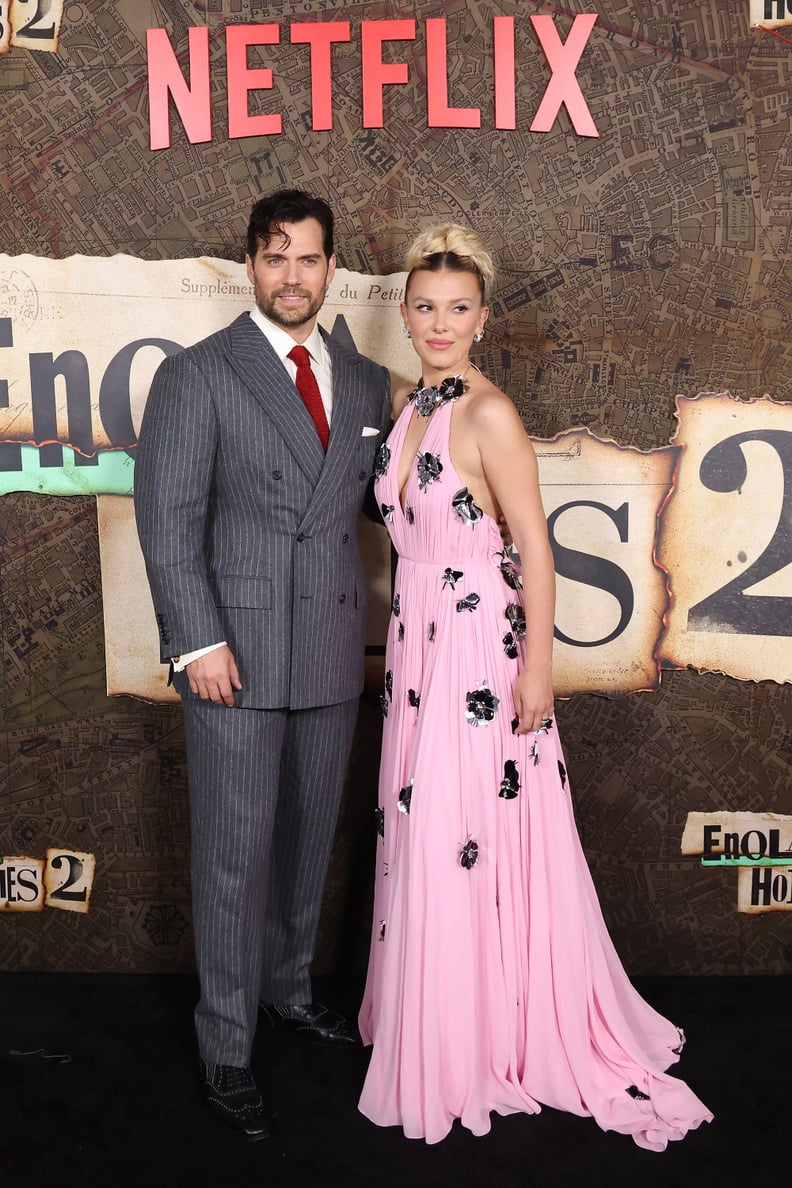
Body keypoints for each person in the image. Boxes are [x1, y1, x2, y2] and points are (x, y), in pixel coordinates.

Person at [357, 225, 713, 1150]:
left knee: (464, 830)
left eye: (458, 309)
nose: (441, 324)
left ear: (483, 317)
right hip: (418, 650)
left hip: (477, 647)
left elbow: (538, 546)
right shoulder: (409, 408)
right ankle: (437, 1022)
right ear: (406, 313)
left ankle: (486, 1036)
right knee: (423, 828)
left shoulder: (489, 413)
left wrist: (537, 671)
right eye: (425, 308)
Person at [134, 189, 391, 1140]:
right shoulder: (198, 375)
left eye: (310, 259)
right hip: (230, 659)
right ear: (251, 264)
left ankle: (287, 992)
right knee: (234, 859)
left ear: (332, 271)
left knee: (304, 843)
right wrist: (196, 641)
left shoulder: (361, 382)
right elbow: (168, 523)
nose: (293, 276)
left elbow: (382, 502)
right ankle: (227, 1043)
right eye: (276, 257)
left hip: (328, 653)